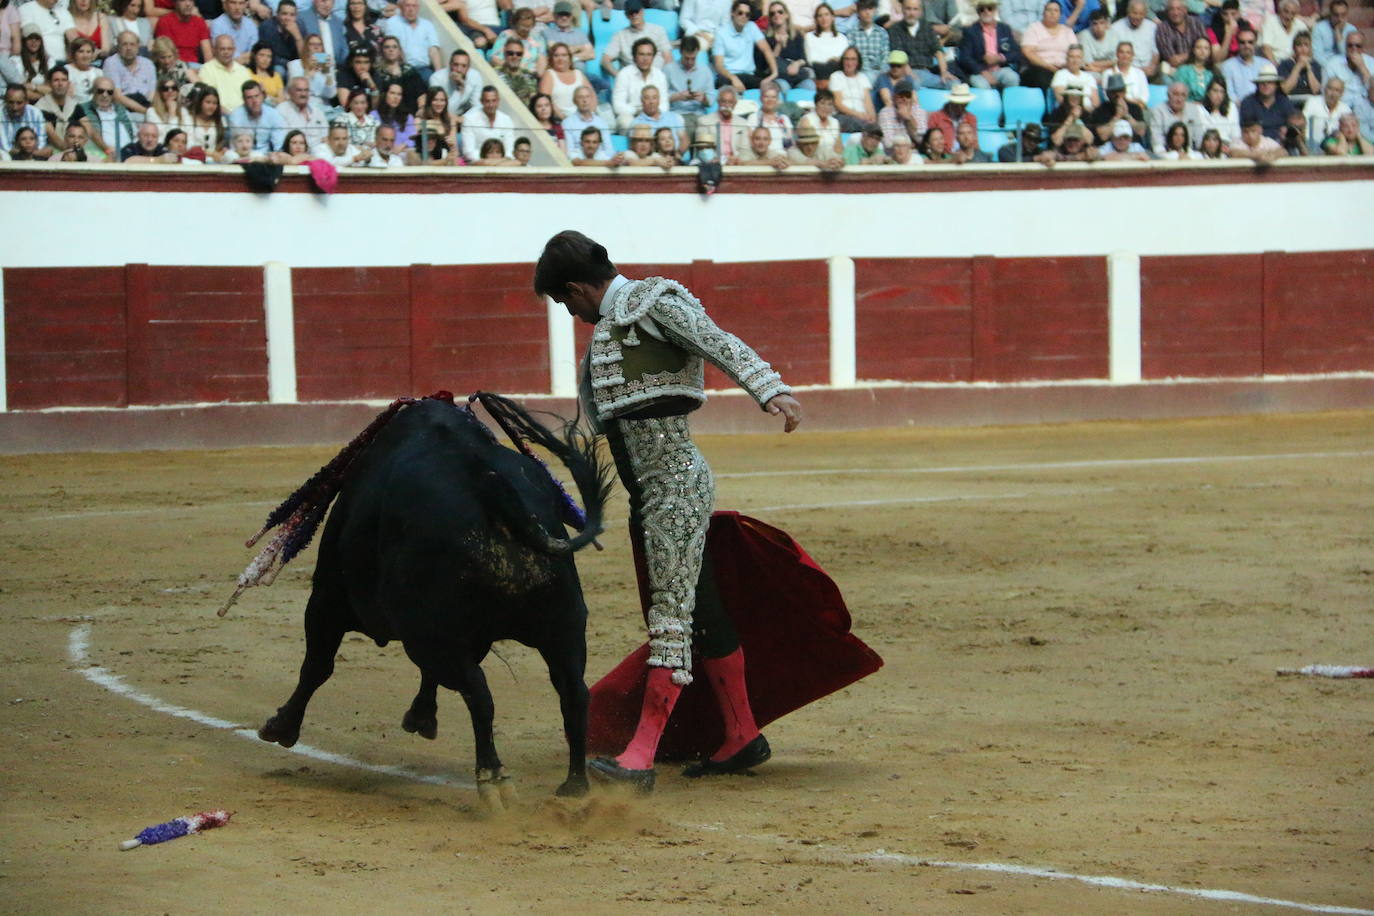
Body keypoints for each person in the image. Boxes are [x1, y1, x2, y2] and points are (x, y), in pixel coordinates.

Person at [534, 230, 801, 791]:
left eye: (567, 301)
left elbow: (716, 340)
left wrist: (768, 387)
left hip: (674, 488)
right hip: (651, 493)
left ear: (579, 286)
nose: (572, 313)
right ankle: (741, 735)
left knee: (672, 618)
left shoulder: (653, 304)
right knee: (700, 610)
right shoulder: (610, 330)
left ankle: (640, 757)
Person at [712, 0, 777, 91]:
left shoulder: (752, 27)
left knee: (772, 87)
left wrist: (774, 73)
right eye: (740, 13)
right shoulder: (721, 33)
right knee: (724, 86)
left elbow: (766, 50)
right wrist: (733, 78)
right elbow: (719, 65)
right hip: (729, 75)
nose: (744, 17)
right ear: (732, 13)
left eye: (747, 14)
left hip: (749, 75)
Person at [888, 0, 955, 89]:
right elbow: (900, 55)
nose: (912, 13)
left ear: (920, 12)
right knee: (913, 85)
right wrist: (910, 74)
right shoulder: (895, 29)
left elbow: (938, 51)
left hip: (926, 72)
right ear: (902, 10)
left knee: (954, 83)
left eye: (915, 9)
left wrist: (944, 72)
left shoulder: (927, 28)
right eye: (908, 9)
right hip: (906, 72)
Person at [960, 0, 1022, 90]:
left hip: (1000, 69)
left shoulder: (1004, 28)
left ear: (995, 10)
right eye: (982, 9)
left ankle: (1010, 103)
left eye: (990, 8)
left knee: (1012, 78)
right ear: (978, 12)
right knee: (982, 86)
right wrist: (982, 72)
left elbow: (1016, 53)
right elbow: (964, 58)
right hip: (978, 71)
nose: (986, 12)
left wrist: (1000, 57)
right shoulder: (970, 31)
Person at [602, 0, 672, 77]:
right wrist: (619, 77)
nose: (634, 15)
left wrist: (662, 78)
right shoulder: (619, 35)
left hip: (656, 77)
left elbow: (668, 57)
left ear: (642, 11)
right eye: (631, 13)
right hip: (632, 80)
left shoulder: (658, 30)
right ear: (626, 15)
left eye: (636, 11)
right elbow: (605, 60)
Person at [613, 36, 668, 129]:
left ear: (653, 57)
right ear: (634, 57)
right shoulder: (624, 74)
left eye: (649, 54)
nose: (645, 58)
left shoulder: (660, 75)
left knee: (676, 120)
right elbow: (617, 105)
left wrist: (652, 112)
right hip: (632, 115)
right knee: (625, 122)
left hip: (655, 114)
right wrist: (639, 111)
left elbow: (664, 105)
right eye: (641, 54)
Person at [78, 75, 137, 158]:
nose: (105, 95)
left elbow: (135, 134)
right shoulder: (83, 110)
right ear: (93, 91)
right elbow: (91, 134)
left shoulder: (121, 110)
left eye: (109, 92)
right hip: (101, 154)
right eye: (100, 91)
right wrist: (108, 150)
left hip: (129, 154)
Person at [1021, 0, 1075, 89]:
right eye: (1049, 10)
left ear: (1060, 14)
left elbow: (1075, 51)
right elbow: (1028, 52)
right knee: (1043, 78)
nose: (1052, 13)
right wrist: (1049, 66)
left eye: (1056, 11)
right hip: (1040, 67)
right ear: (1043, 13)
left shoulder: (1067, 31)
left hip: (1064, 67)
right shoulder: (1034, 28)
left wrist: (1067, 66)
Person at [383, 0, 440, 82]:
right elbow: (391, 48)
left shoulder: (427, 25)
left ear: (418, 8)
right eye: (408, 6)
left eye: (414, 6)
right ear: (401, 7)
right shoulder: (392, 23)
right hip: (403, 68)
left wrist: (438, 74)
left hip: (424, 69)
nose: (411, 9)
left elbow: (434, 50)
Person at [765, 1, 815, 91]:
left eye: (780, 12)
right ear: (771, 18)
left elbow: (803, 59)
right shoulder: (767, 38)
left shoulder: (797, 35)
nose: (777, 15)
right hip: (780, 77)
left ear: (786, 15)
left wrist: (796, 64)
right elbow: (769, 62)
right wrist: (779, 45)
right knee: (784, 86)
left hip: (797, 74)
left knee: (809, 85)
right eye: (773, 13)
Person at [226, 78, 286, 151]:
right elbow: (235, 147)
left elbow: (279, 146)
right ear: (243, 99)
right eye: (249, 98)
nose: (254, 101)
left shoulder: (273, 114)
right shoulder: (236, 116)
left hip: (266, 157)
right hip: (242, 155)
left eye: (257, 96)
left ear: (262, 96)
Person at [105, 30, 158, 113]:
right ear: (118, 46)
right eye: (124, 44)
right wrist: (145, 112)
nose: (129, 48)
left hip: (146, 105)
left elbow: (152, 94)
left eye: (132, 44)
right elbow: (117, 96)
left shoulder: (148, 64)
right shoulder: (111, 63)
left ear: (138, 47)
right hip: (122, 109)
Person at [1238, 62, 1292, 139]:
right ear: (1257, 85)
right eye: (1262, 83)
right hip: (1255, 144)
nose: (1266, 85)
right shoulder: (1248, 103)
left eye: (1270, 82)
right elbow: (1246, 129)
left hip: (1281, 142)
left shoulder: (1284, 102)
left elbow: (1291, 124)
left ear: (1276, 85)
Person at [489, 7, 547, 78]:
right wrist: (513, 70)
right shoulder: (505, 35)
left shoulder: (538, 38)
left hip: (530, 76)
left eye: (529, 26)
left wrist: (538, 74)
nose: (526, 29)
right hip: (507, 73)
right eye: (522, 26)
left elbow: (542, 59)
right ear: (515, 23)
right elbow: (494, 59)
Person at [461, 83, 514, 161]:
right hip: (478, 164)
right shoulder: (470, 119)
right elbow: (468, 152)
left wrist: (498, 160)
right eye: (487, 101)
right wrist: (488, 159)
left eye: (494, 101)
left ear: (498, 100)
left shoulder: (506, 119)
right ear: (481, 101)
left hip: (502, 163)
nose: (491, 105)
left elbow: (509, 149)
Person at [1107, 0, 1158, 79]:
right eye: (1134, 13)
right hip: (1126, 70)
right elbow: (1114, 57)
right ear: (1128, 12)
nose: (1137, 17)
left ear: (1145, 14)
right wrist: (1137, 70)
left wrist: (1152, 66)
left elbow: (1155, 52)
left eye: (1141, 14)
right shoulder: (1116, 28)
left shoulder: (1152, 27)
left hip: (1149, 70)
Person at [696, 83, 750, 158]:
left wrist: (737, 160)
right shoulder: (704, 121)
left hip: (735, 163)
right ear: (718, 102)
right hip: (713, 164)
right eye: (724, 101)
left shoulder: (743, 123)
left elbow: (745, 149)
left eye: (730, 102)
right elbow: (703, 150)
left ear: (735, 104)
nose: (727, 105)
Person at [830, 45, 877, 130]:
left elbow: (868, 103)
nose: (849, 63)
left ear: (858, 62)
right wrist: (859, 115)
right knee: (859, 124)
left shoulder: (863, 77)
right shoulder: (836, 76)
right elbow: (838, 104)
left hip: (862, 117)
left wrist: (872, 116)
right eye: (847, 59)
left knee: (876, 128)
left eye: (853, 59)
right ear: (842, 61)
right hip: (844, 116)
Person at [1088, 72, 1145, 142]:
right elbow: (1103, 136)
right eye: (1113, 92)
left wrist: (1127, 115)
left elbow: (1141, 132)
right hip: (1109, 147)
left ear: (1125, 91)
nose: (1117, 94)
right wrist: (1117, 117)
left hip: (1133, 146)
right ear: (1107, 93)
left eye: (1120, 91)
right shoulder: (1100, 110)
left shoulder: (1135, 108)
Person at [540, 41, 589, 120]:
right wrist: (565, 119)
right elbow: (546, 101)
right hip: (560, 120)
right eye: (556, 55)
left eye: (564, 55)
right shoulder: (549, 74)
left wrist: (589, 116)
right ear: (551, 59)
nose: (560, 58)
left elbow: (592, 97)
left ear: (569, 58)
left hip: (582, 119)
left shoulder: (578, 73)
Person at [373, 33, 424, 110]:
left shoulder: (409, 70)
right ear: (382, 51)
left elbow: (421, 93)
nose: (391, 50)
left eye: (394, 47)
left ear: (399, 50)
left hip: (409, 114)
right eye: (387, 47)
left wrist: (421, 109)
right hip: (384, 114)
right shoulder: (377, 72)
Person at [1155, 0, 1206, 75]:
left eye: (1179, 9)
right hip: (1176, 71)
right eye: (1172, 9)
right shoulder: (1162, 28)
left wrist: (1182, 57)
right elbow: (1173, 61)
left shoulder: (1196, 23)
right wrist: (1195, 53)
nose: (1175, 13)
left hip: (1199, 67)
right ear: (1167, 11)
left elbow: (1206, 51)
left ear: (1185, 10)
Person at [1220, 23, 1269, 103]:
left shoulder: (1266, 65)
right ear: (1238, 44)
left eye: (1250, 42)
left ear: (1255, 43)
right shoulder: (1228, 66)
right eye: (1243, 42)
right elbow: (1229, 94)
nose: (1246, 45)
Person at [153, 0, 211, 66]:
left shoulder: (199, 22)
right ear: (175, 3)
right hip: (173, 66)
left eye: (191, 0)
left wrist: (208, 71)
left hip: (196, 66)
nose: (188, 4)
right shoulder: (165, 22)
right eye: (182, 0)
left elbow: (207, 54)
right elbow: (166, 55)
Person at [35, 65, 81, 149]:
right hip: (49, 151)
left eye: (64, 80)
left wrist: (107, 149)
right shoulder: (40, 108)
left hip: (73, 149)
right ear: (49, 84)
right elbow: (54, 139)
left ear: (68, 83)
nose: (60, 84)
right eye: (56, 80)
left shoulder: (74, 105)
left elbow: (89, 130)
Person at [843, 0, 889, 84]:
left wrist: (881, 72)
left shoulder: (882, 33)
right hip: (860, 72)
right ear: (858, 12)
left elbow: (885, 57)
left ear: (875, 10)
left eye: (870, 8)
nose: (868, 12)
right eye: (864, 9)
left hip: (880, 73)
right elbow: (853, 57)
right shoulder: (851, 33)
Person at [1325, 31, 1373, 108]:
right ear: (1345, 47)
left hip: (1367, 106)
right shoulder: (1333, 63)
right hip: (1341, 106)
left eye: (1358, 46)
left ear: (1363, 48)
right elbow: (1326, 91)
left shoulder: (1371, 62)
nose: (1354, 49)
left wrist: (1362, 68)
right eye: (1350, 45)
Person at [20, 0, 76, 66]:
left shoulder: (63, 11)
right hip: (41, 63)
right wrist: (49, 62)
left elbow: (74, 39)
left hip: (63, 63)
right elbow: (29, 39)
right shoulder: (26, 9)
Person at [278, 75, 331, 145]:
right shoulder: (282, 110)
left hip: (319, 151)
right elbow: (284, 140)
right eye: (299, 90)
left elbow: (326, 135)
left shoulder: (316, 111)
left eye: (306, 90)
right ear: (289, 92)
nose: (303, 94)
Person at [804, 3, 850, 82]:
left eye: (826, 14)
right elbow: (810, 60)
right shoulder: (809, 37)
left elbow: (845, 60)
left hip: (837, 72)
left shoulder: (842, 38)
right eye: (820, 15)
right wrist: (830, 61)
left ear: (833, 17)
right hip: (818, 72)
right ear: (816, 19)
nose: (824, 18)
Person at [430, 48, 482, 120]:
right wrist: (459, 89)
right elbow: (442, 110)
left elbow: (478, 106)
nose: (459, 70)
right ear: (450, 64)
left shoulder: (475, 76)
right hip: (441, 118)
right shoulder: (437, 78)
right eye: (456, 65)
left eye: (463, 66)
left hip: (464, 117)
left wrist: (463, 119)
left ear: (468, 68)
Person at [561, 82, 611, 155]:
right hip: (580, 163)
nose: (584, 100)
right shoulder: (567, 123)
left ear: (591, 99)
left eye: (587, 97)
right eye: (580, 97)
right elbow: (570, 151)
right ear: (574, 101)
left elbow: (609, 149)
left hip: (601, 161)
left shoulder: (602, 122)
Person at [877, 77, 925, 148]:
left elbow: (922, 140)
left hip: (915, 153)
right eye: (901, 96)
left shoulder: (919, 110)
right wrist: (909, 146)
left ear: (912, 98)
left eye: (908, 96)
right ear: (894, 97)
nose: (904, 99)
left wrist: (909, 119)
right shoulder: (885, 113)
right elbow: (888, 143)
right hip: (893, 155)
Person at [1148, 80, 1195, 151]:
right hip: (1167, 154)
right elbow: (1157, 141)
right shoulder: (1158, 111)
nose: (1179, 99)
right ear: (1168, 95)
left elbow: (1199, 137)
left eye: (1183, 95)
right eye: (1176, 94)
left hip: (1190, 154)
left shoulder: (1193, 110)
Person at [796, 86, 844, 155]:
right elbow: (807, 148)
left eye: (829, 104)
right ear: (816, 105)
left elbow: (839, 147)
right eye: (822, 103)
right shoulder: (807, 120)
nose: (826, 107)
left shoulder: (835, 122)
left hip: (832, 157)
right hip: (813, 156)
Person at [744, 82, 791, 152]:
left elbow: (789, 144)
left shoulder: (784, 119)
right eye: (766, 96)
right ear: (761, 99)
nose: (770, 100)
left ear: (777, 99)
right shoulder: (753, 118)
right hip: (762, 157)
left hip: (783, 158)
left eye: (773, 97)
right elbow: (751, 144)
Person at [258, 0, 303, 72]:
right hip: (273, 64)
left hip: (295, 65)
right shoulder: (267, 27)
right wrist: (288, 63)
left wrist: (298, 37)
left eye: (292, 15)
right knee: (279, 70)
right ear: (277, 14)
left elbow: (305, 57)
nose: (288, 18)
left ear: (296, 16)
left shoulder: (300, 26)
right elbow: (265, 54)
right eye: (284, 14)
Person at [1101, 40, 1148, 107]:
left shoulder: (1140, 74)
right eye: (1121, 52)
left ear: (1132, 55)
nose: (1125, 55)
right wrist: (1131, 100)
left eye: (1128, 52)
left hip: (1137, 109)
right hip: (1114, 109)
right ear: (1117, 54)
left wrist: (1125, 99)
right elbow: (1108, 98)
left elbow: (1143, 100)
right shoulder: (1107, 74)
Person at [1309, 0, 1355, 67]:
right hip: (1324, 66)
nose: (1340, 19)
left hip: (1345, 66)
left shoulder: (1352, 30)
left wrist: (1340, 40)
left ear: (1347, 14)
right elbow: (1317, 56)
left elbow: (1350, 55)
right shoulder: (1319, 28)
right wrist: (1332, 68)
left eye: (1343, 15)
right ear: (1331, 14)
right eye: (1336, 15)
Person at [1304, 75, 1349, 143]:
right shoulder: (1312, 102)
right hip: (1312, 144)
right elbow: (1303, 126)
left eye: (1337, 90)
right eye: (1330, 89)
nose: (1332, 94)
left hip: (1336, 146)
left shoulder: (1345, 109)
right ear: (1325, 90)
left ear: (1342, 94)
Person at [1260, 0, 1307, 66]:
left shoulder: (1301, 26)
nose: (1288, 16)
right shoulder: (1270, 22)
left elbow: (1307, 49)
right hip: (1273, 63)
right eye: (1286, 11)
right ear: (1280, 10)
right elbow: (1266, 48)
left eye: (1292, 13)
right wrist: (1276, 66)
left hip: (1295, 64)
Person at [1278, 31, 1322, 99]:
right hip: (1290, 102)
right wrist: (1298, 66)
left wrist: (1308, 68)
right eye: (1299, 45)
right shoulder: (1284, 64)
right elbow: (1285, 89)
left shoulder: (1316, 65)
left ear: (1310, 48)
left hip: (1310, 102)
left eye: (1306, 45)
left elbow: (1316, 91)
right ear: (1294, 48)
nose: (1303, 49)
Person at [1, 82, 45, 150]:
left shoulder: (36, 113)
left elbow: (41, 142)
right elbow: (5, 147)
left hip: (33, 156)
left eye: (19, 103)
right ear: (5, 101)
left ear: (26, 101)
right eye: (11, 102)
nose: (14, 107)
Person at [494, 37, 537, 105]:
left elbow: (533, 98)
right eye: (510, 53)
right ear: (504, 53)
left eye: (519, 54)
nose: (515, 56)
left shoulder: (529, 75)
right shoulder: (495, 73)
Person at [1174, 34, 1215, 101]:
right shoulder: (1183, 70)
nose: (1202, 51)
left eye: (1206, 48)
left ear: (1210, 52)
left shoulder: (1212, 73)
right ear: (1193, 50)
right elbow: (1178, 94)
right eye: (1199, 47)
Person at [185, 83, 224, 151]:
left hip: (215, 159)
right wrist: (210, 154)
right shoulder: (189, 119)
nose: (211, 106)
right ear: (200, 102)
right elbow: (189, 145)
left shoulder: (219, 121)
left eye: (214, 103)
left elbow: (220, 144)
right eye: (208, 102)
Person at [63, 38, 102, 105]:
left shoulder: (99, 73)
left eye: (88, 52)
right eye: (81, 51)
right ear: (74, 54)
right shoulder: (66, 70)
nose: (85, 55)